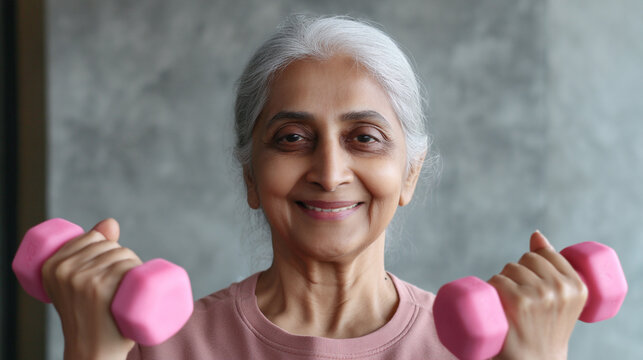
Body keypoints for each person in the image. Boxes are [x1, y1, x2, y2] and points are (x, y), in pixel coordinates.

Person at [42, 15, 588, 359]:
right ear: (250, 176)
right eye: (293, 137)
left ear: (409, 175)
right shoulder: (160, 347)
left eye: (365, 138)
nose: (329, 173)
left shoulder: (487, 349)